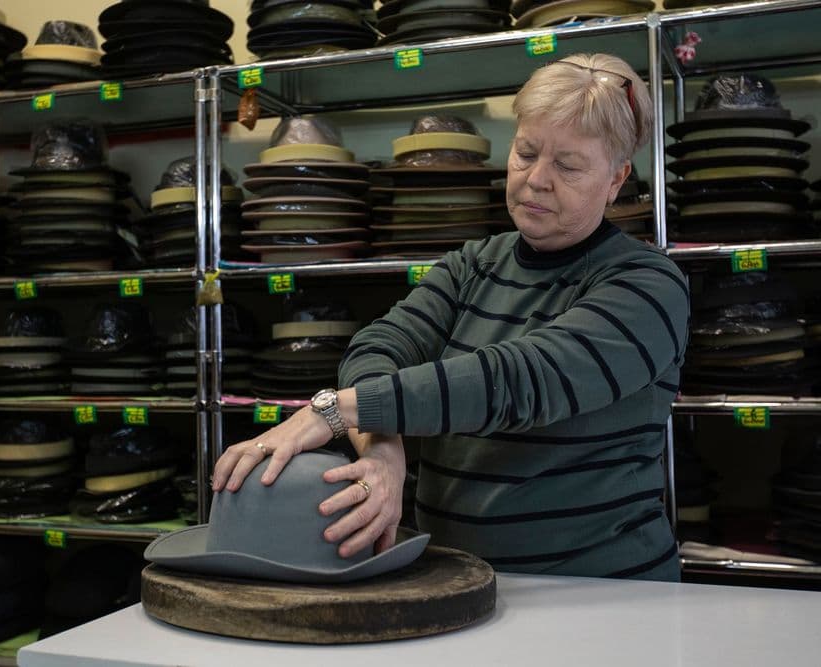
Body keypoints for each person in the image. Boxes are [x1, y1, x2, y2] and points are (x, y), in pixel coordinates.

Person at [213, 52, 689, 581]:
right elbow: (379, 346)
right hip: (457, 582)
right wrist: (385, 449)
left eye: (569, 165)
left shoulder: (647, 285)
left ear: (616, 178)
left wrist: (337, 412)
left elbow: (521, 381)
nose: (536, 179)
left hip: (601, 591)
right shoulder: (472, 265)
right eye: (526, 152)